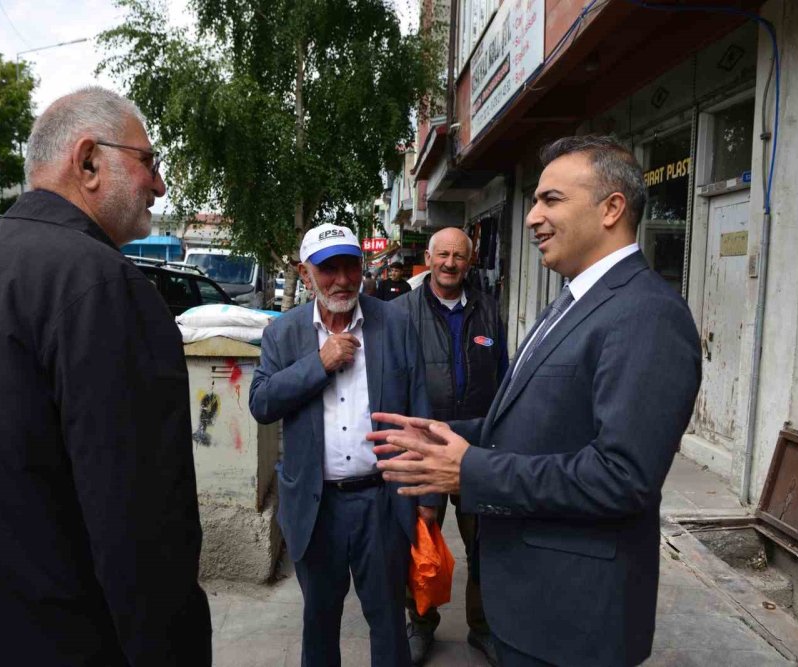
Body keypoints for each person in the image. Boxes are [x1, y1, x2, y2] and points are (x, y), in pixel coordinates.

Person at [370, 136, 701, 667]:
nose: (531, 218)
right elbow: (537, 422)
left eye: (551, 200)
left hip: (573, 616)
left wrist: (471, 469)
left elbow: (622, 476)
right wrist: (457, 434)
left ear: (612, 208)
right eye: (535, 202)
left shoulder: (646, 315)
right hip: (532, 603)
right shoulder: (572, 300)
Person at [0, 86, 211, 666]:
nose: (160, 185)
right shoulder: (105, 288)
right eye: (148, 162)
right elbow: (144, 533)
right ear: (89, 162)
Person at [249, 223, 439, 667]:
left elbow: (420, 407)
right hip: (318, 508)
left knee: (388, 621)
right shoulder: (286, 333)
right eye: (328, 268)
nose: (342, 279)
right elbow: (261, 403)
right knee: (319, 624)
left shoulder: (394, 322)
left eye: (350, 266)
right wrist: (319, 363)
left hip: (382, 502)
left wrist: (428, 497)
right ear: (305, 271)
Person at [391, 226, 508, 665]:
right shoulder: (401, 313)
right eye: (442, 255)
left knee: (485, 542)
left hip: (476, 447)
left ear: (470, 260)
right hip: (422, 446)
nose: (450, 264)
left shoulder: (489, 312)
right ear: (428, 256)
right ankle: (420, 623)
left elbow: (504, 379)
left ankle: (483, 627)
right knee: (422, 540)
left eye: (459, 256)